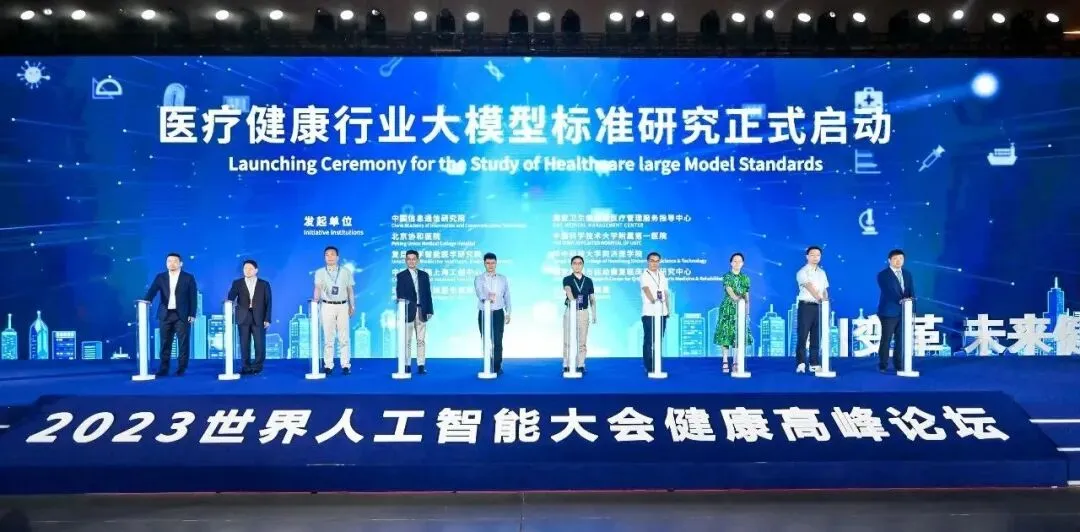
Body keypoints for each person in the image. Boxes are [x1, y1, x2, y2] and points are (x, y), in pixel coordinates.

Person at [143, 252, 197, 377]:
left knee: (183, 343)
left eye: (174, 261)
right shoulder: (160, 277)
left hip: (182, 315)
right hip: (165, 314)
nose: (171, 263)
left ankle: (181, 368)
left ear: (180, 263)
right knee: (165, 343)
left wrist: (192, 313)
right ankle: (163, 368)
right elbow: (152, 292)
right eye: (169, 261)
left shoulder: (188, 277)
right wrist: (145, 301)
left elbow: (193, 297)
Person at [313, 246, 354, 375]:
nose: (329, 257)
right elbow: (317, 288)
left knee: (344, 337)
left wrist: (352, 306)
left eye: (332, 254)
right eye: (327, 255)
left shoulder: (345, 271)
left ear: (337, 257)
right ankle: (328, 365)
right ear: (324, 257)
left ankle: (345, 364)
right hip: (327, 306)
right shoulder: (320, 272)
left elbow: (350, 290)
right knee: (328, 337)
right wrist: (315, 301)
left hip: (343, 305)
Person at [227, 259, 272, 375]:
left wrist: (267, 319)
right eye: (245, 268)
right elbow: (230, 297)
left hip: (259, 317)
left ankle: (257, 366)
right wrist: (229, 303)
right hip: (243, 317)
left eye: (250, 268)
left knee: (259, 343)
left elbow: (268, 302)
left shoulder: (264, 284)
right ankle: (246, 367)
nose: (247, 270)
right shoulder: (237, 283)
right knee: (244, 344)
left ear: (256, 270)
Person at [876, 249, 915, 373]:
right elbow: (888, 291)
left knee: (900, 339)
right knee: (886, 339)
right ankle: (883, 365)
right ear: (889, 260)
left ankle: (899, 365)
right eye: (895, 259)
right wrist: (901, 300)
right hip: (888, 312)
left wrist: (912, 306)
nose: (898, 261)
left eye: (901, 259)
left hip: (904, 312)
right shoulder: (883, 275)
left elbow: (911, 291)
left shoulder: (907, 274)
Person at [395, 249, 434, 374]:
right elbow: (399, 294)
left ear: (418, 260)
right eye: (409, 259)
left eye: (413, 259)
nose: (411, 261)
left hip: (422, 310)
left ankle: (421, 365)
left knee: (421, 340)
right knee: (407, 340)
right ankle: (406, 365)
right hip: (408, 311)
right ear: (406, 261)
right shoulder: (401, 276)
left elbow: (428, 294)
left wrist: (430, 310)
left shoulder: (424, 275)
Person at [714, 252, 752, 373]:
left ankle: (736, 361)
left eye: (739, 261)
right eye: (735, 261)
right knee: (725, 335)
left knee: (738, 335)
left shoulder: (745, 278)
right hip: (728, 309)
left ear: (743, 263)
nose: (737, 263)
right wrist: (737, 299)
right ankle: (725, 360)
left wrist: (747, 312)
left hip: (740, 309)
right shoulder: (727, 276)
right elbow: (730, 291)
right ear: (731, 263)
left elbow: (747, 296)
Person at [473, 252, 511, 375]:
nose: (490, 265)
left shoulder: (503, 279)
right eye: (488, 263)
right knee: (485, 340)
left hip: (498, 312)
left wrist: (508, 312)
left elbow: (507, 296)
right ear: (484, 264)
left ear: (496, 263)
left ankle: (497, 367)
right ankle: (487, 365)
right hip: (484, 312)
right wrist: (487, 299)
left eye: (492, 263)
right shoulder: (479, 278)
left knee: (498, 341)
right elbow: (479, 293)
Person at [795, 245, 829, 373]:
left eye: (818, 255)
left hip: (819, 307)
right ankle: (801, 363)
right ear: (807, 256)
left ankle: (814, 363)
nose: (815, 257)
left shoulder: (822, 272)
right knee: (803, 335)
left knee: (816, 335)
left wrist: (825, 301)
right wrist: (820, 298)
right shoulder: (802, 272)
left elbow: (824, 290)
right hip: (806, 306)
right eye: (812, 255)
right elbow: (809, 287)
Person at [562, 255, 596, 374]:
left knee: (582, 340)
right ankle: (566, 364)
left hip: (583, 312)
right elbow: (568, 290)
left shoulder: (588, 281)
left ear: (583, 265)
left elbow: (592, 298)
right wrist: (573, 302)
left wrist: (594, 313)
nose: (577, 265)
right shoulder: (567, 279)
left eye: (580, 263)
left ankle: (581, 364)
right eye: (575, 263)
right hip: (570, 311)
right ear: (571, 265)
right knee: (567, 339)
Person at [639, 251, 669, 373]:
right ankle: (648, 366)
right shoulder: (644, 275)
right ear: (648, 262)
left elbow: (666, 293)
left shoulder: (662, 275)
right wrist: (654, 301)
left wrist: (667, 309)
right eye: (652, 261)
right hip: (649, 313)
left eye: (657, 261)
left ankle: (657, 364)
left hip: (662, 312)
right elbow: (646, 289)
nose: (654, 263)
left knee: (658, 340)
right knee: (649, 340)